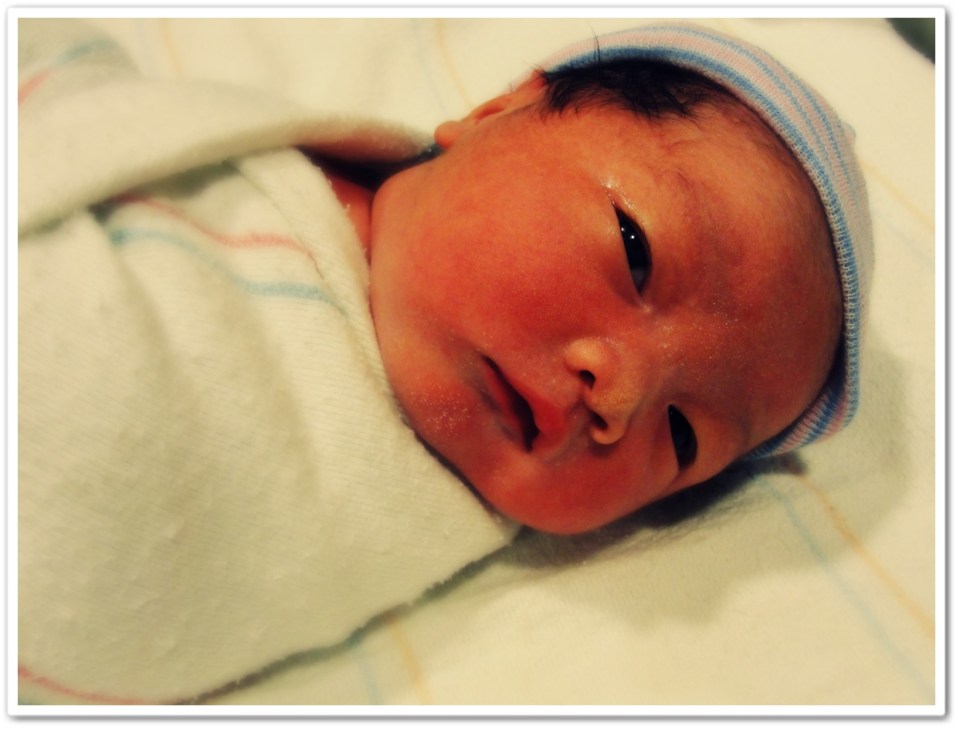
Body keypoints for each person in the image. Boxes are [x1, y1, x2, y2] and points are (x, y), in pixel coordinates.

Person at [18, 18, 872, 703]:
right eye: (636, 250)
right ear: (499, 110)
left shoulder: (376, 513)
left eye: (684, 437)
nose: (624, 395)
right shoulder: (238, 142)